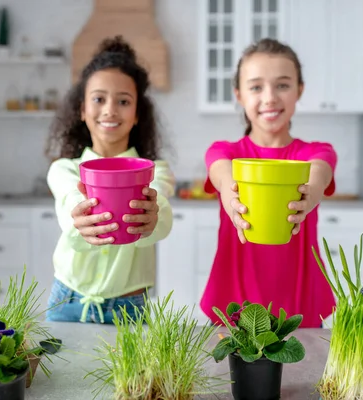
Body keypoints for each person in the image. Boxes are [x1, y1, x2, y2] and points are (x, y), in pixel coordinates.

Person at [201, 38, 337, 328]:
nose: (270, 97)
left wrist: (308, 195)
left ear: (299, 90)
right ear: (239, 94)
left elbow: (319, 174)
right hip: (234, 297)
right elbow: (222, 174)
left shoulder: (316, 153)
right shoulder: (225, 152)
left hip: (300, 299)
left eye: (283, 85)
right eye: (256, 87)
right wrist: (229, 191)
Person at [43, 35, 175, 324]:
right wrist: (80, 219)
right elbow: (70, 204)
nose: (110, 109)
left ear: (138, 113)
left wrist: (152, 218)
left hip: (130, 307)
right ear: (82, 109)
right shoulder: (64, 170)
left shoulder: (157, 171)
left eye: (123, 101)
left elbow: (161, 209)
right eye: (99, 98)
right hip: (66, 300)